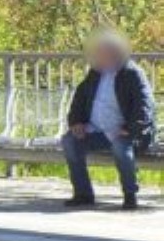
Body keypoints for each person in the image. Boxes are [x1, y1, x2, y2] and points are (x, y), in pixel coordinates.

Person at [62, 30, 155, 210]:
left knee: (121, 146)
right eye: (98, 52)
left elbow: (145, 104)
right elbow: (79, 99)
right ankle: (83, 194)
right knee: (69, 141)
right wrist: (76, 122)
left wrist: (130, 128)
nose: (100, 56)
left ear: (117, 52)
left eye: (104, 52)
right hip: (97, 131)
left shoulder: (132, 73)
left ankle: (130, 195)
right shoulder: (95, 73)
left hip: (127, 132)